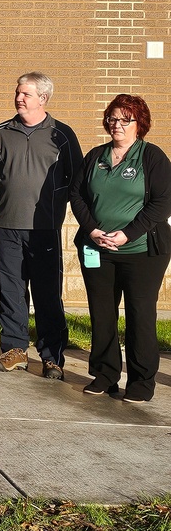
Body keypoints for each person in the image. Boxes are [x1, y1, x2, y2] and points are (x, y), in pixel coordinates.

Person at [69, 95, 171, 404]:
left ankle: (141, 382)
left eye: (125, 120)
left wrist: (128, 234)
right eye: (113, 118)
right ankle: (105, 374)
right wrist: (92, 230)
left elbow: (162, 202)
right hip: (97, 249)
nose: (118, 125)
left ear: (140, 124)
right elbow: (77, 194)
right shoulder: (96, 156)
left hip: (142, 251)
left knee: (140, 315)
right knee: (102, 314)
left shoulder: (152, 157)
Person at [0, 73, 82, 380]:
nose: (19, 98)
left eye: (26, 94)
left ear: (43, 98)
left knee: (47, 292)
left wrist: (53, 206)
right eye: (17, 92)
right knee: (11, 291)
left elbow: (74, 178)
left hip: (45, 228)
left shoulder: (61, 134)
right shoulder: (2, 132)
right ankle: (15, 351)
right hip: (8, 226)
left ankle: (52, 357)